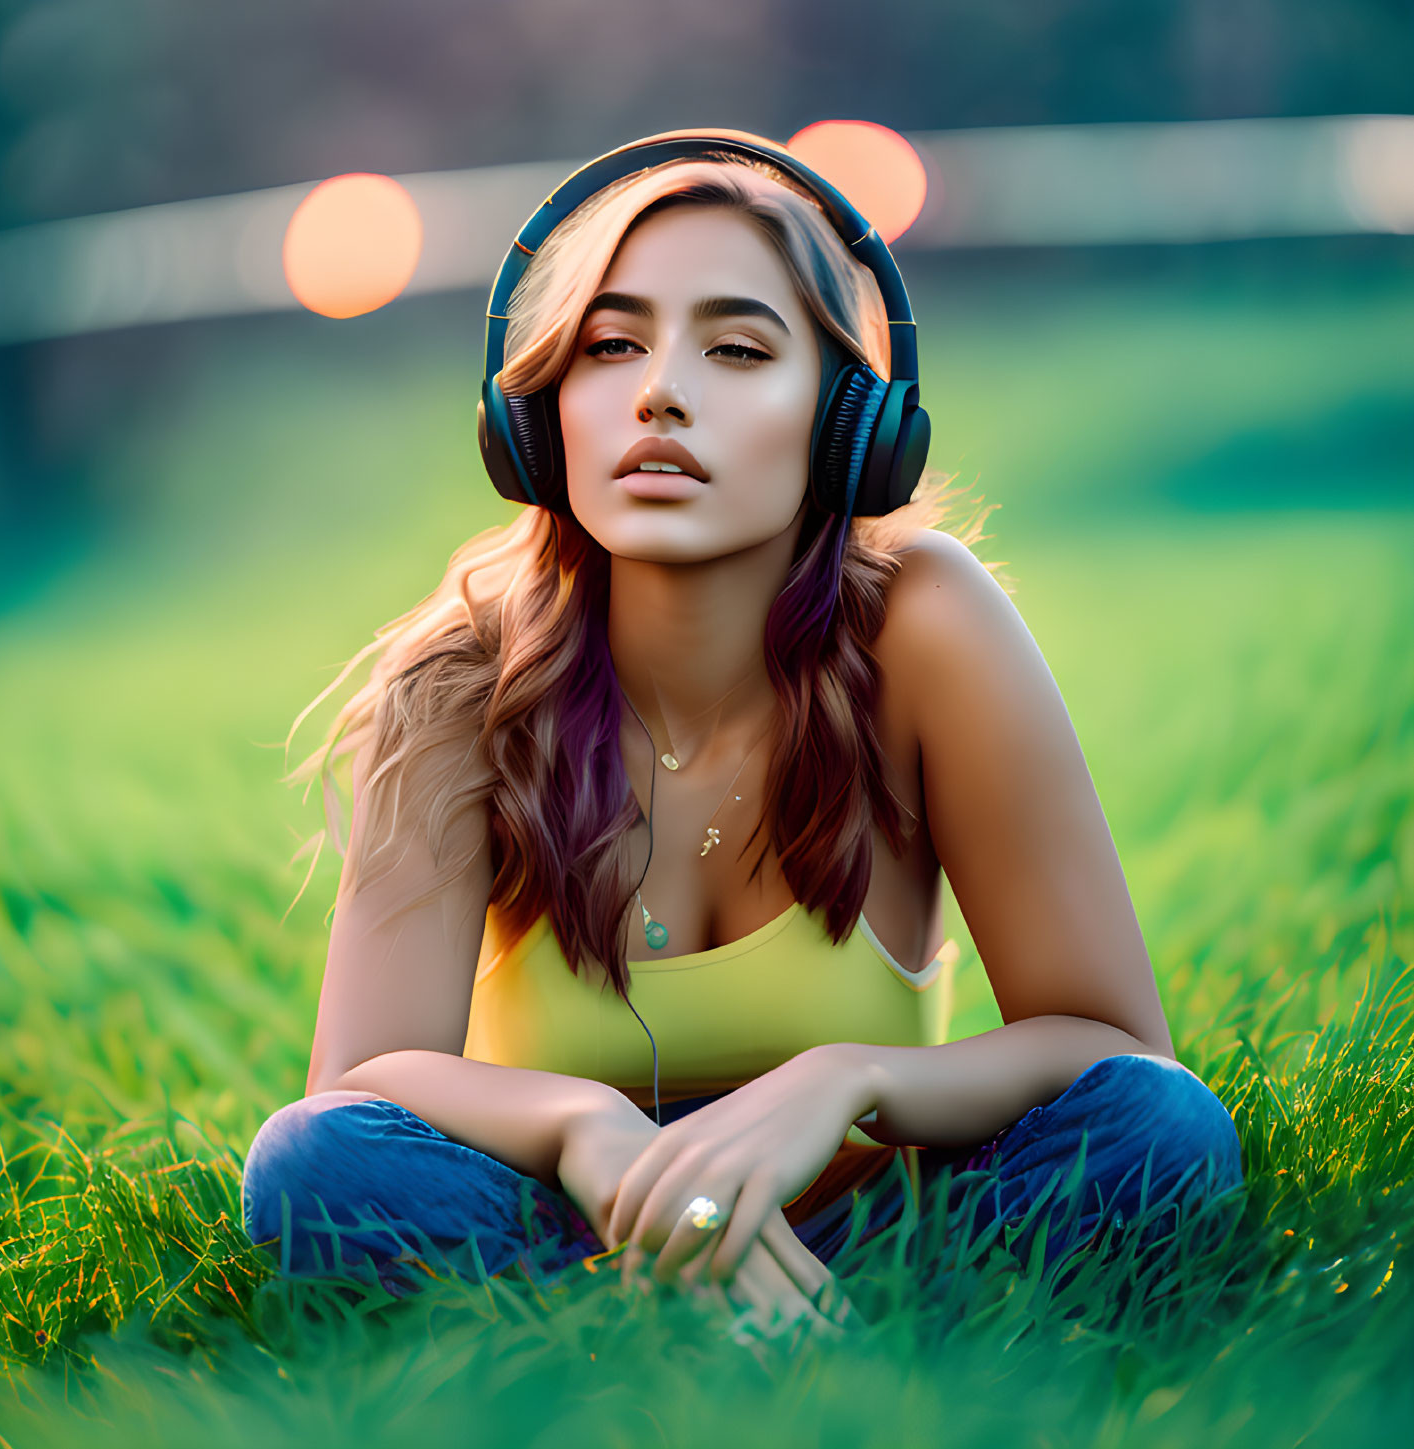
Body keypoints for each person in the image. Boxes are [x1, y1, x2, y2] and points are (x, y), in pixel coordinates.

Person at [241, 130, 1244, 1336]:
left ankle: (684, 1338)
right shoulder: (459, 676)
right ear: (537, 413)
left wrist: (849, 1079)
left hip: (883, 1226)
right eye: (612, 345)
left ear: (848, 427)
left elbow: (1116, 1052)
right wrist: (583, 1127)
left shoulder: (927, 627)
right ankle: (729, 1333)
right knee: (312, 1171)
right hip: (566, 1229)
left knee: (1161, 1135)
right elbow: (358, 1090)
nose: (660, 388)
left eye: (736, 347)